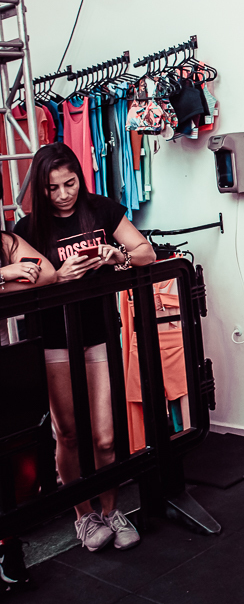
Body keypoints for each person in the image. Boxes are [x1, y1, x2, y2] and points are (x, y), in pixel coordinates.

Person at [14, 143, 156, 551]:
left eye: (70, 183)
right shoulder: (28, 229)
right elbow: (24, 281)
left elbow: (145, 253)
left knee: (106, 437)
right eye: (53, 187)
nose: (63, 194)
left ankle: (112, 509)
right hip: (54, 340)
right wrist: (57, 277)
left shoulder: (101, 209)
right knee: (69, 433)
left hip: (97, 332)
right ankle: (84, 515)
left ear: (80, 176)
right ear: (40, 189)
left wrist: (117, 257)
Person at [0, 225, 56, 592]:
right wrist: (4, 274)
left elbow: (48, 273)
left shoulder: (4, 241)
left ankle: (9, 551)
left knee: (9, 461)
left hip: (4, 362)